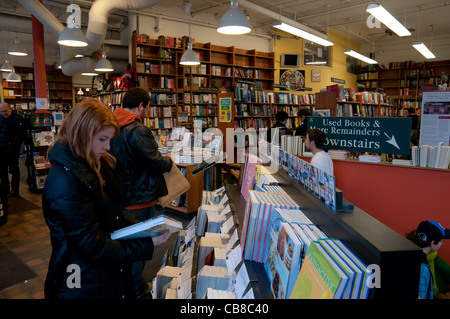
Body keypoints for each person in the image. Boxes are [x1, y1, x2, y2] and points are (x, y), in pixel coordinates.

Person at [42, 99, 171, 299]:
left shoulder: (86, 166)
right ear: (83, 134)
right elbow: (92, 245)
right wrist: (147, 243)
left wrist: (145, 229)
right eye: (102, 139)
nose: (108, 146)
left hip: (94, 273)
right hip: (80, 278)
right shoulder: (66, 180)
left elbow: (108, 216)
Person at [109, 87, 173, 298]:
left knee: (126, 246)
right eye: (147, 107)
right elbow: (155, 162)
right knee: (141, 248)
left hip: (120, 197)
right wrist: (169, 160)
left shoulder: (111, 125)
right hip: (140, 198)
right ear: (141, 106)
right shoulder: (137, 129)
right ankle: (137, 290)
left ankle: (126, 286)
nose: (147, 112)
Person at [406, 220, 450, 299]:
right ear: (432, 243)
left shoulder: (409, 257)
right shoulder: (423, 269)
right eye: (441, 241)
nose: (442, 244)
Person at [0, 102, 25, 197]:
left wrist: (11, 147)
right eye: (1, 111)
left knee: (14, 170)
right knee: (2, 170)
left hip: (12, 150)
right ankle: (5, 189)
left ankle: (15, 190)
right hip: (1, 150)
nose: (3, 113)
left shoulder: (18, 119)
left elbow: (19, 136)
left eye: (5, 111)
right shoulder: (1, 119)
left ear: (10, 109)